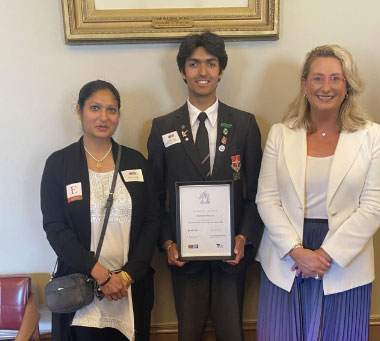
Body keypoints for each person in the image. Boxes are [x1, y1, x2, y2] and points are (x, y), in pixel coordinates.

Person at [255, 45, 380, 340]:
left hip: (344, 259)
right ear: (304, 84)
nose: (325, 87)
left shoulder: (372, 135)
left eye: (335, 79)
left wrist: (326, 255)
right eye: (317, 78)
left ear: (347, 85)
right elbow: (266, 198)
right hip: (287, 258)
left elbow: (375, 205)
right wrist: (297, 252)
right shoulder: (281, 133)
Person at [147, 32, 263, 341]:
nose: (202, 72)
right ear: (182, 71)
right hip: (184, 257)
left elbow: (256, 194)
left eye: (210, 64)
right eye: (194, 64)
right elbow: (154, 198)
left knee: (232, 333)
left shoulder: (245, 124)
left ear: (221, 70)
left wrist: (244, 237)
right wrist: (168, 244)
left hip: (232, 255)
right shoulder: (163, 128)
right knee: (188, 333)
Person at [41, 80, 159, 341]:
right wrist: (102, 276)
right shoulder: (59, 164)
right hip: (81, 290)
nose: (103, 117)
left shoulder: (135, 161)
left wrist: (126, 276)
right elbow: (55, 228)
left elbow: (152, 221)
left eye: (112, 110)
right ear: (79, 110)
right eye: (95, 108)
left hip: (130, 290)